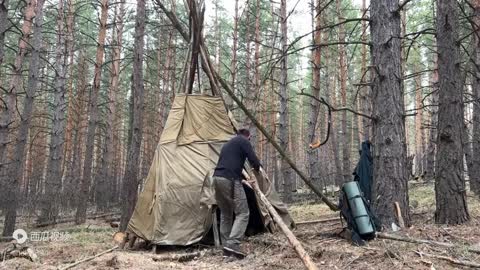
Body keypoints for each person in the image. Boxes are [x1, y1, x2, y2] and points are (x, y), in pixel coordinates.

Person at [213, 128, 261, 259]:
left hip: (217, 178)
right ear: (248, 136)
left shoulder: (228, 145)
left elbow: (230, 164)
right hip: (231, 180)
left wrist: (244, 180)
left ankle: (226, 248)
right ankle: (233, 244)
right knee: (243, 213)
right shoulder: (243, 141)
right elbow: (253, 159)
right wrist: (258, 168)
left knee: (225, 214)